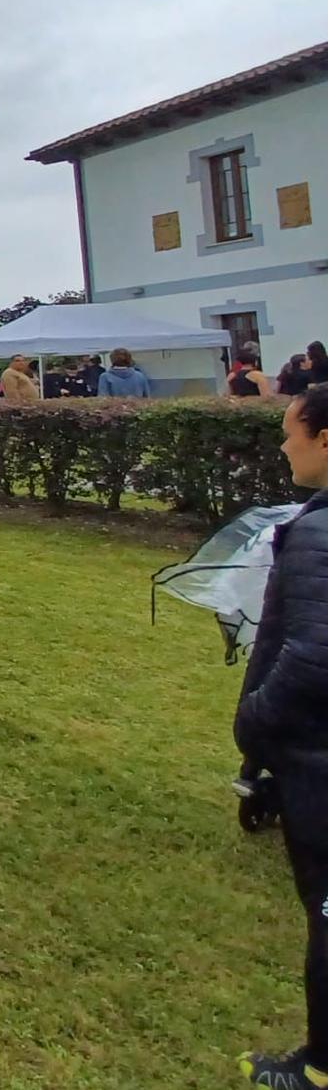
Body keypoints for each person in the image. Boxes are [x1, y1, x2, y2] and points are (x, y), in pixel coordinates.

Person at [235, 385, 328, 1086]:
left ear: (324, 439)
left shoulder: (319, 532)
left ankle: (319, 1064)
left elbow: (314, 654)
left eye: (291, 432)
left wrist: (255, 722)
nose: (283, 444)